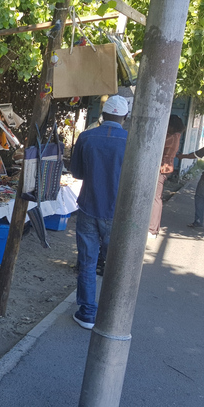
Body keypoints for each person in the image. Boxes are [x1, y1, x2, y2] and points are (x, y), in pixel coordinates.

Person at [69, 95, 129, 330]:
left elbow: (76, 173)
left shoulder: (86, 137)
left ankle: (87, 313)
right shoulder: (131, 141)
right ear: (124, 117)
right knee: (116, 264)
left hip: (88, 207)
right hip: (117, 212)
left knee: (87, 262)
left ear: (102, 116)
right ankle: (113, 314)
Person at [148, 115, 186, 239]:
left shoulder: (170, 137)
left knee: (156, 198)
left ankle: (152, 229)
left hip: (161, 169)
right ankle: (152, 227)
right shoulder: (176, 136)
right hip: (165, 168)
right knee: (155, 197)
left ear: (171, 126)